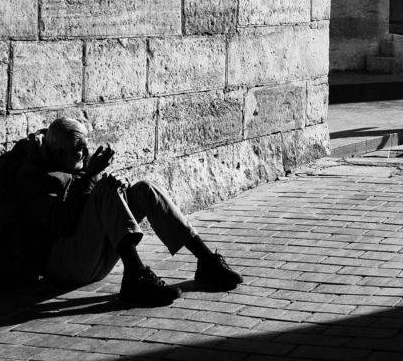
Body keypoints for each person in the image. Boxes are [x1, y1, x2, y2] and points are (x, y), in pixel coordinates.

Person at [15, 116, 242, 306]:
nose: (85, 154)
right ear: (58, 152)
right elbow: (62, 223)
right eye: (78, 150)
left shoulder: (72, 163)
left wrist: (113, 186)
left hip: (96, 256)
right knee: (105, 188)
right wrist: (90, 178)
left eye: (85, 147)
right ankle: (136, 277)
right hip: (65, 264)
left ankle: (206, 261)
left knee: (144, 189)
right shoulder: (33, 176)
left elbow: (92, 203)